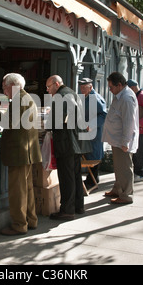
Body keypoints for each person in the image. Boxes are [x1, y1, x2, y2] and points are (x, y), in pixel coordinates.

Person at [0, 73, 41, 236]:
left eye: (4, 87)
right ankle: (31, 220)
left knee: (17, 190)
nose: (3, 90)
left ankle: (19, 225)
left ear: (12, 86)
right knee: (27, 188)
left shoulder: (18, 100)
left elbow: (9, 123)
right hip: (27, 151)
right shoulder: (26, 98)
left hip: (19, 151)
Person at [46, 75, 92, 220]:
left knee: (67, 178)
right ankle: (79, 206)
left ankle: (67, 210)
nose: (47, 91)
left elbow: (56, 121)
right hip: (76, 142)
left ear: (56, 84)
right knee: (76, 175)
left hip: (67, 142)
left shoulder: (61, 96)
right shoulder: (72, 93)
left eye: (48, 87)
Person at [102, 72, 139, 205]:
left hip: (122, 141)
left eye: (111, 87)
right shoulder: (120, 95)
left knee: (124, 167)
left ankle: (126, 194)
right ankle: (118, 189)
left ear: (119, 85)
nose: (110, 90)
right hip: (116, 138)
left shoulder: (127, 98)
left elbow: (129, 122)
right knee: (118, 166)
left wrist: (125, 141)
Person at [78, 77, 107, 189]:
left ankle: (92, 180)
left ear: (91, 87)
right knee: (88, 154)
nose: (82, 89)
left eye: (85, 87)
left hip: (93, 131)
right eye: (81, 87)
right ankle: (92, 179)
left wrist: (91, 125)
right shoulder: (84, 97)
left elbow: (103, 115)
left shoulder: (95, 98)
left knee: (93, 155)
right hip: (85, 131)